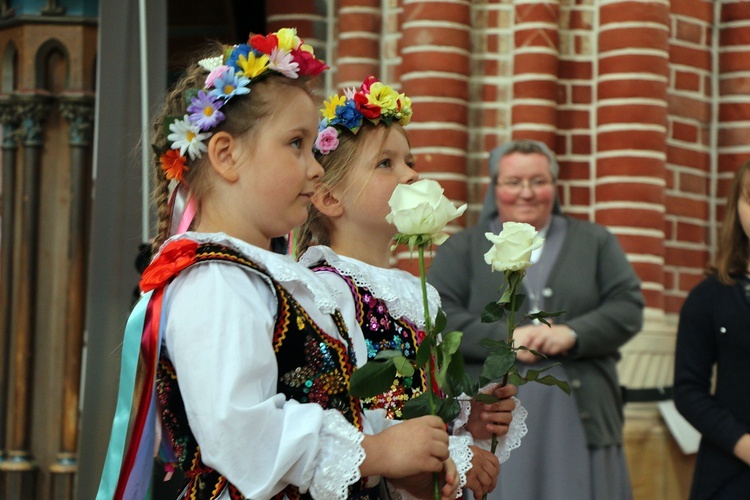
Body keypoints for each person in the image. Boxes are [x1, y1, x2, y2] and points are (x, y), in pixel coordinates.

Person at [96, 30, 461, 500]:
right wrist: (376, 453)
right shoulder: (216, 280)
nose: (314, 167)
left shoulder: (282, 281)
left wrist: (402, 465)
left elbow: (342, 411)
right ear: (226, 155)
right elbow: (241, 431)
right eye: (296, 144)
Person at [296, 77, 528, 498]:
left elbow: (418, 396)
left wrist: (466, 423)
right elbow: (354, 420)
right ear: (329, 199)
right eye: (386, 163)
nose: (412, 173)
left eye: (410, 160)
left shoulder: (418, 292)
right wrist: (448, 456)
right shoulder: (327, 291)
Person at [427, 139, 645, 500]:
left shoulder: (595, 242)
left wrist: (573, 333)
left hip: (579, 417)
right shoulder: (462, 248)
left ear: (554, 187)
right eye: (513, 182)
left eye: (538, 181)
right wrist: (506, 338)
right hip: (493, 418)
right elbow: (437, 316)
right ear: (494, 187)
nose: (526, 193)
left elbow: (627, 306)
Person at [673, 160, 750, 499]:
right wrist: (742, 443)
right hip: (730, 472)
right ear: (738, 209)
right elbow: (689, 391)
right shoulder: (709, 296)